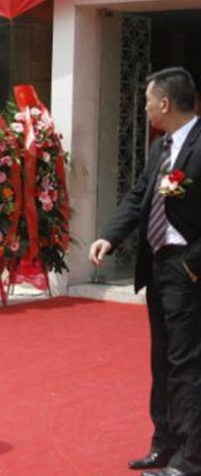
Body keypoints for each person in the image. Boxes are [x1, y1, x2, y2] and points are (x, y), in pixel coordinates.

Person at [89, 67, 201, 476]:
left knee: (187, 364)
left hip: (187, 269)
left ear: (165, 103)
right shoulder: (160, 147)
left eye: (149, 101)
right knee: (163, 361)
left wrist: (193, 263)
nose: (146, 108)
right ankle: (164, 445)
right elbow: (139, 196)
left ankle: (191, 458)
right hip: (157, 266)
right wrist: (110, 236)